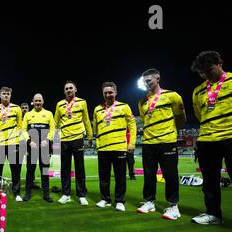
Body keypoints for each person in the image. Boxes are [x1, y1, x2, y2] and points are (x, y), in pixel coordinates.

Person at [137, 68, 186, 220]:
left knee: (170, 174)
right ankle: (149, 202)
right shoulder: (142, 101)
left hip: (167, 142)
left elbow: (181, 118)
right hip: (148, 142)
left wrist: (169, 131)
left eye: (149, 81)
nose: (146, 84)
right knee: (149, 174)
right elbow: (146, 121)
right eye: (144, 81)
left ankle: (173, 206)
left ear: (158, 78)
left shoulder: (172, 95)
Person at [191, 51, 232, 225]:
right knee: (209, 181)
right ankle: (213, 214)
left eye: (209, 70)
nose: (206, 75)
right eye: (202, 73)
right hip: (207, 140)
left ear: (220, 63)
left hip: (230, 137)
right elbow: (200, 116)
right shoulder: (198, 91)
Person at [93, 82, 136, 211]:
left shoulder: (124, 107)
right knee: (104, 176)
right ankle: (105, 199)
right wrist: (98, 144)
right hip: (103, 148)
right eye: (105, 93)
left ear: (115, 92)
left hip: (119, 147)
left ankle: (119, 201)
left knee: (120, 176)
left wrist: (132, 143)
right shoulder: (97, 109)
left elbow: (132, 125)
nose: (108, 95)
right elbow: (96, 128)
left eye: (110, 92)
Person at [54, 80, 93, 205]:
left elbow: (86, 120)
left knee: (79, 168)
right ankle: (66, 194)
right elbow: (55, 123)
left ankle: (81, 195)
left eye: (71, 88)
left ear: (75, 89)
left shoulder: (82, 102)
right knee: (65, 169)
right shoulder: (59, 104)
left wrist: (90, 136)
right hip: (64, 139)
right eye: (66, 89)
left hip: (77, 138)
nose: (69, 90)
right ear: (64, 91)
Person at [0, 87, 24, 202]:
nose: (6, 95)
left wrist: (15, 137)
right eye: (4, 94)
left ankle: (17, 193)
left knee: (15, 170)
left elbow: (20, 126)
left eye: (8, 94)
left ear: (10, 95)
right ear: (0, 95)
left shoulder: (16, 108)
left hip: (13, 143)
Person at [22, 93, 55, 202]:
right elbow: (23, 130)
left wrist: (48, 140)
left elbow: (52, 129)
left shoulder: (49, 114)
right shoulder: (27, 115)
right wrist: (29, 141)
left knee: (44, 171)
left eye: (39, 100)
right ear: (33, 102)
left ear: (43, 101)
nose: (37, 102)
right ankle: (27, 193)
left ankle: (46, 195)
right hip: (32, 147)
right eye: (36, 101)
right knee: (30, 172)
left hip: (45, 148)